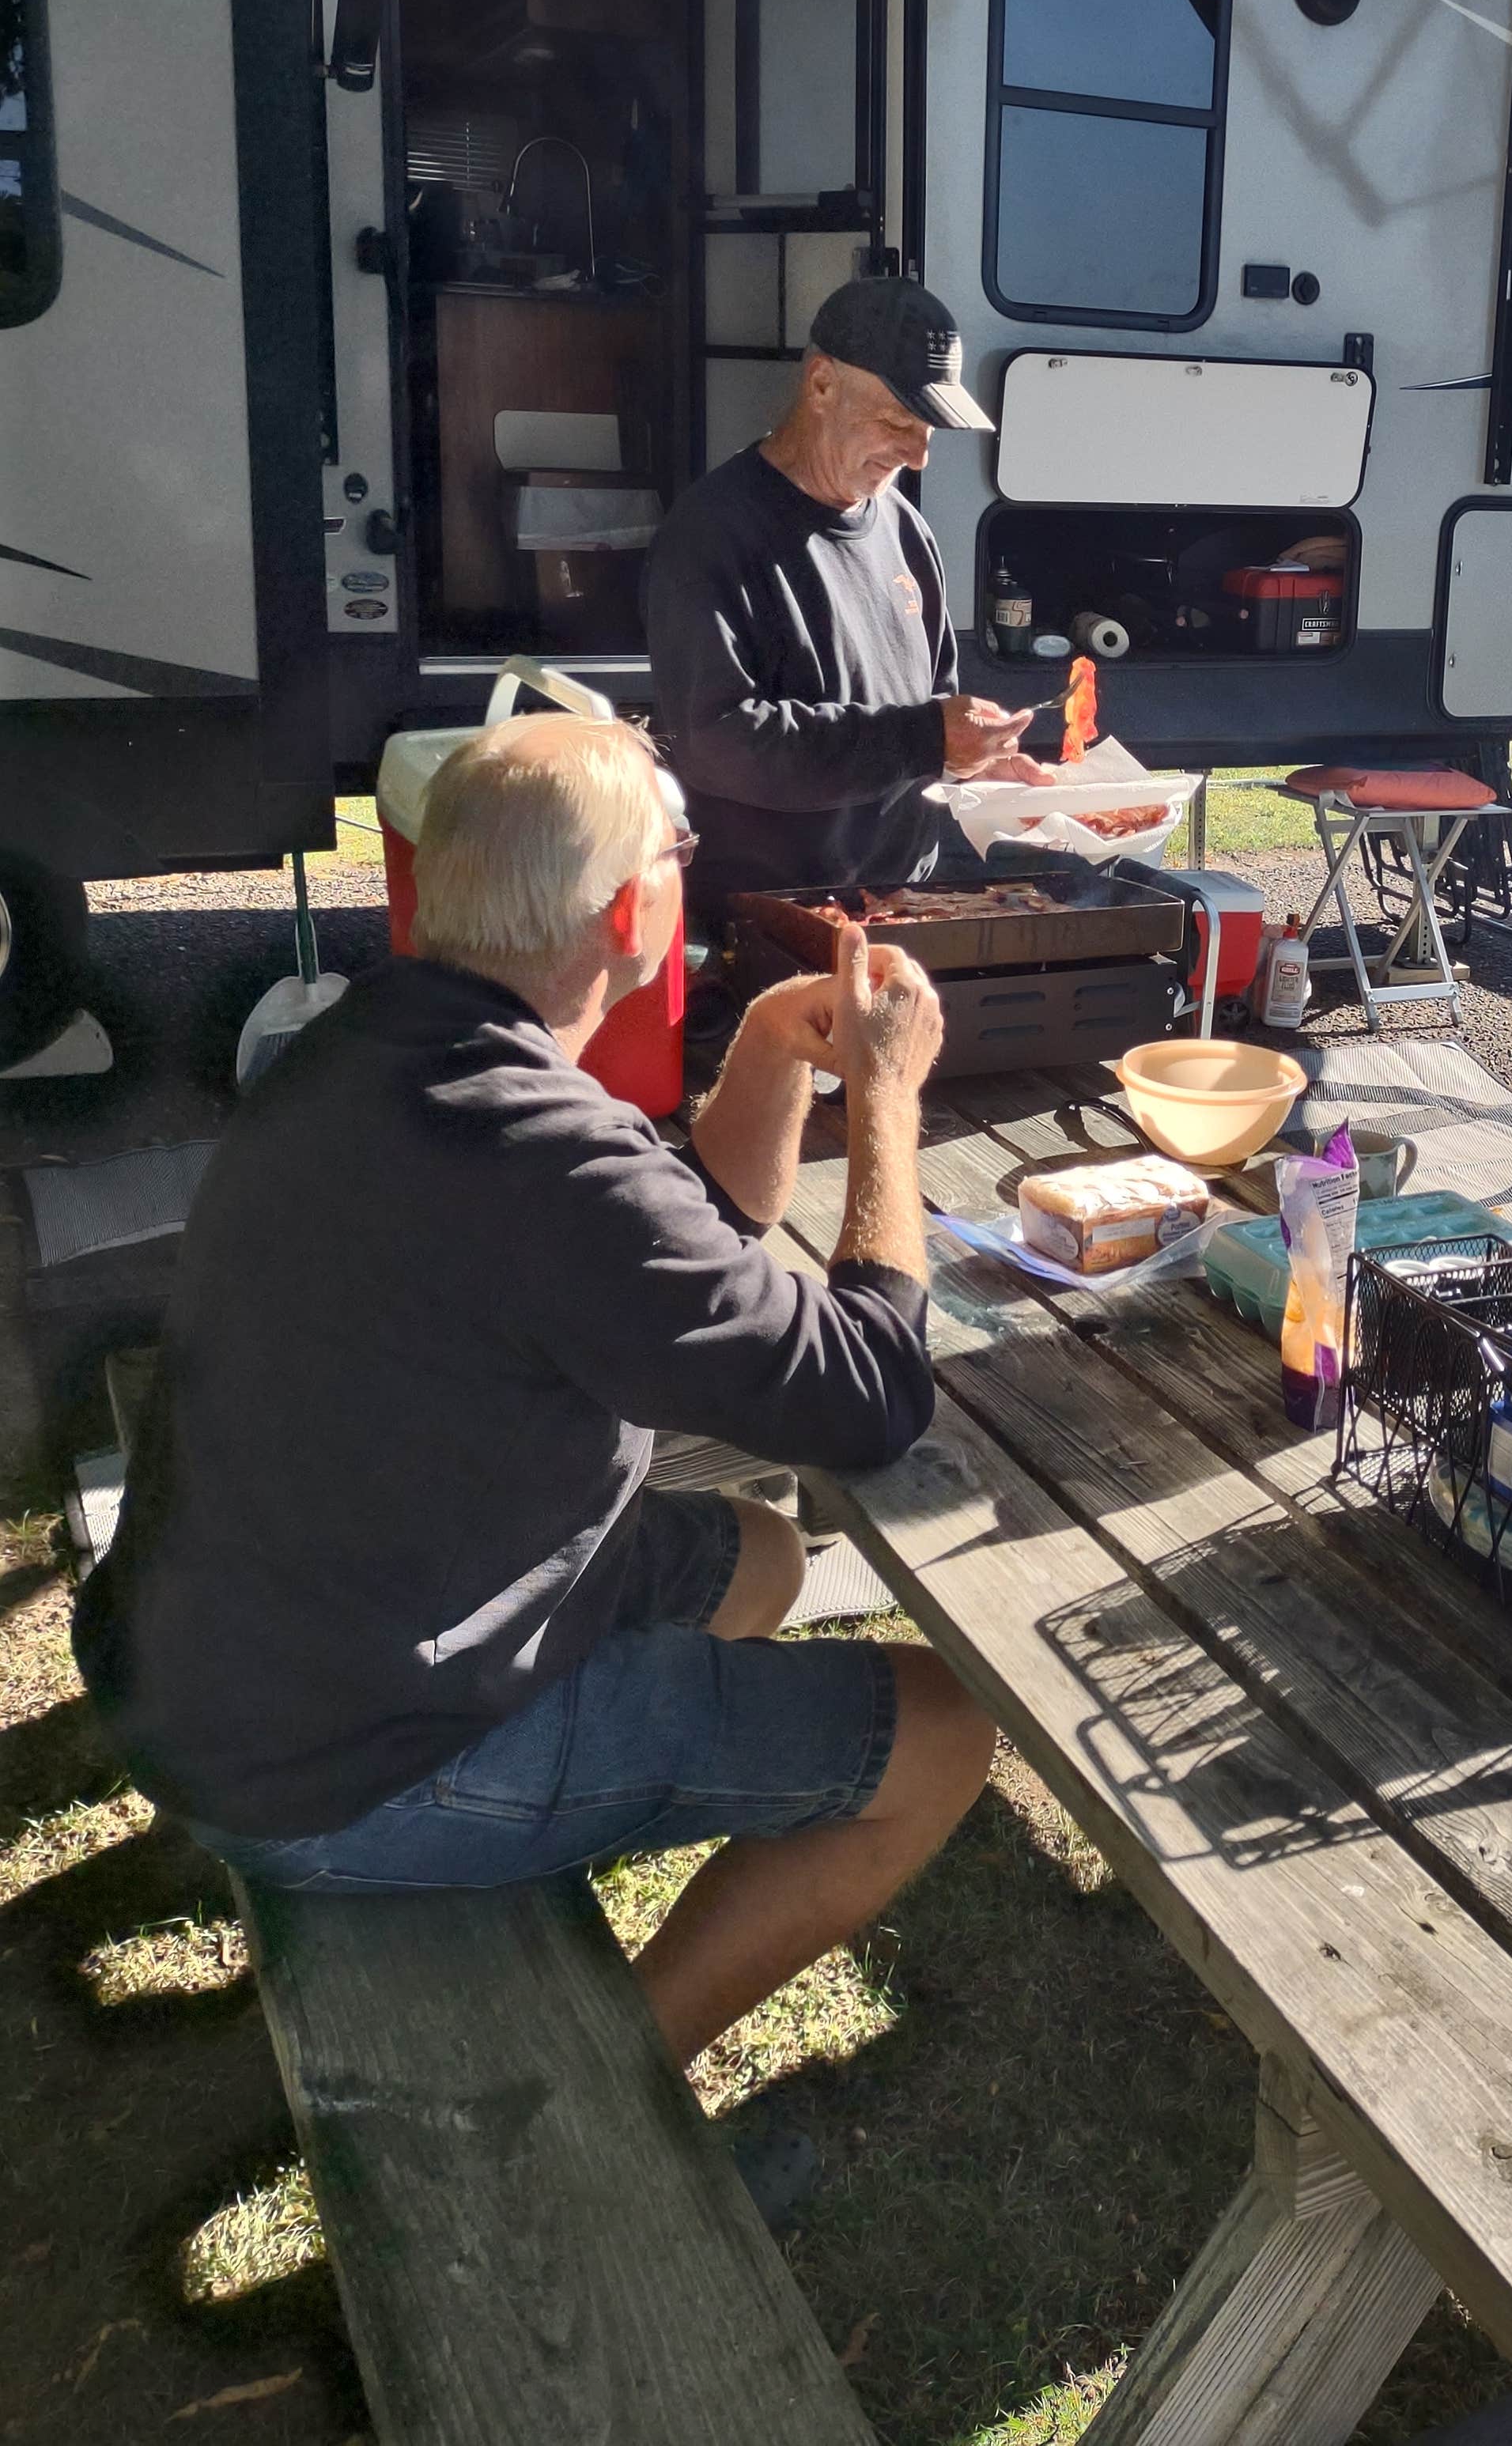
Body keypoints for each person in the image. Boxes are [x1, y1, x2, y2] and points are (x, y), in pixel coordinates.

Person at [74, 713, 995, 2225]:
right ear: (636, 914)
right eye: (678, 857)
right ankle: (600, 2108)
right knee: (949, 1732)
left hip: (233, 1656)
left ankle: (608, 1788)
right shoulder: (549, 1160)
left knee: (762, 1555)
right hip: (337, 1766)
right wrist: (888, 1097)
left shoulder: (375, 1055)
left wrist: (769, 1043)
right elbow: (873, 1392)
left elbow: (682, 1235)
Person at [644, 276, 1049, 919]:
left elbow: (930, 711)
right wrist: (925, 740)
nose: (917, 457)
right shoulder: (713, 533)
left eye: (930, 430)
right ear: (822, 384)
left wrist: (969, 765)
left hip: (903, 905)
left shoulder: (905, 530)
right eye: (897, 421)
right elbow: (718, 743)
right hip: (771, 920)